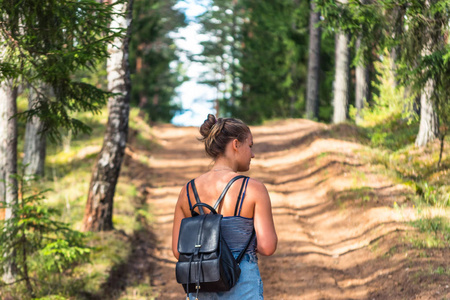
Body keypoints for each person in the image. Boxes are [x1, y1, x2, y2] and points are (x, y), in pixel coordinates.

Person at [172, 114, 277, 299]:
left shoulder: (187, 192)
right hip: (243, 285)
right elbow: (267, 247)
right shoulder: (253, 189)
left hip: (201, 284)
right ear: (236, 144)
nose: (252, 154)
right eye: (250, 146)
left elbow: (178, 250)